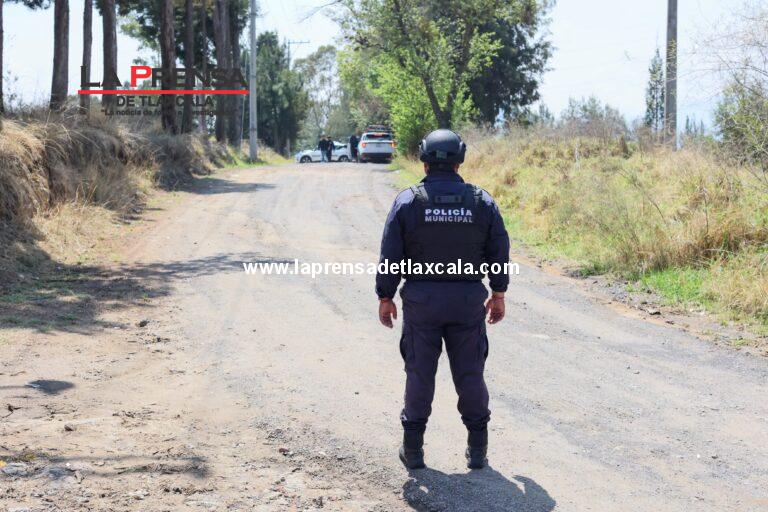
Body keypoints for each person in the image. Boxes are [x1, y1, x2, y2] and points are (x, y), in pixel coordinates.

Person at [375, 129, 510, 470]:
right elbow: (499, 248)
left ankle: (414, 451)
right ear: (459, 160)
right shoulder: (481, 202)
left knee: (420, 374)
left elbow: (390, 251)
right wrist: (498, 292)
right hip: (467, 302)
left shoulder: (408, 201)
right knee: (470, 374)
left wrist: (385, 295)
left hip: (422, 302)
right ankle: (477, 451)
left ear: (423, 162)